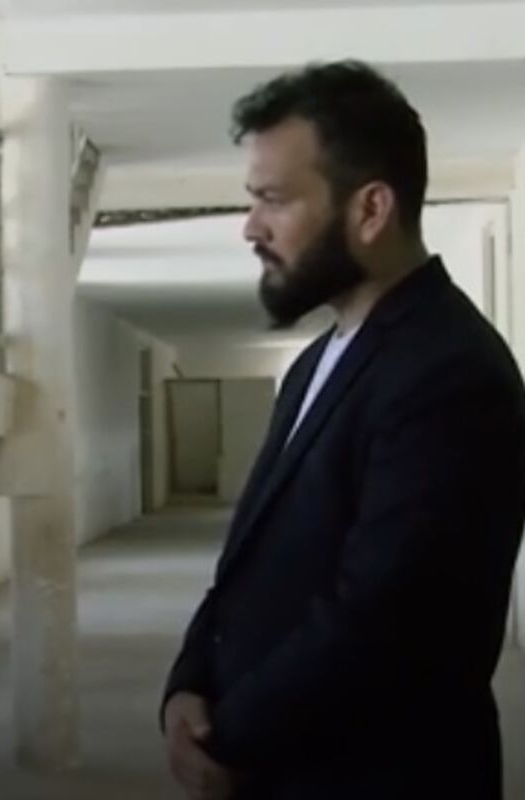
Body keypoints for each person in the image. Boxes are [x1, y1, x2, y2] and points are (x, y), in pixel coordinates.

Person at [162, 61, 525, 800]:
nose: (250, 227)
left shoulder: (451, 372)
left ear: (370, 210)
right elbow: (248, 563)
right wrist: (186, 685)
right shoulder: (316, 362)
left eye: (273, 199)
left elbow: (383, 619)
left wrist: (228, 738)